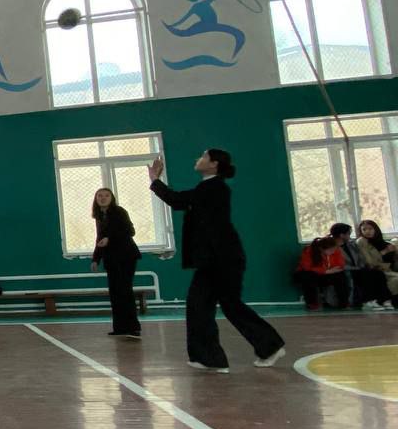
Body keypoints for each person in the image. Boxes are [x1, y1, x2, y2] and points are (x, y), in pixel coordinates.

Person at [149, 149, 285, 373]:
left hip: (222, 259)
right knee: (201, 305)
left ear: (214, 164)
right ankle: (210, 358)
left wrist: (155, 181)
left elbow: (178, 200)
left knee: (225, 305)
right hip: (214, 260)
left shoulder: (215, 188)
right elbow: (181, 202)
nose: (198, 159)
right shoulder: (208, 187)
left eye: (203, 156)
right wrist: (156, 182)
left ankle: (268, 346)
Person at [90, 188, 141, 338]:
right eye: (100, 196)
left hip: (126, 256)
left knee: (125, 290)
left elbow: (130, 231)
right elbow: (100, 238)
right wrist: (95, 259)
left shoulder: (119, 212)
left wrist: (110, 239)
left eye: (106, 195)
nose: (103, 198)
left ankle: (133, 327)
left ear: (112, 198)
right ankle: (120, 327)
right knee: (115, 292)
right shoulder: (99, 216)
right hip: (111, 258)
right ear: (96, 199)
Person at [294, 236, 349, 311]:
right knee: (308, 276)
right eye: (331, 250)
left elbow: (340, 264)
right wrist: (325, 271)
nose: (333, 251)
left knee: (341, 276)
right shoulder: (309, 251)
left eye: (334, 249)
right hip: (309, 274)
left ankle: (344, 303)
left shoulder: (335, 250)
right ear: (321, 249)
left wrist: (332, 270)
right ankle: (312, 304)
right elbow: (306, 267)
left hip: (326, 274)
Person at [354, 220, 398, 309]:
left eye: (370, 229)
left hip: (388, 269)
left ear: (375, 229)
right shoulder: (362, 242)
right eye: (364, 229)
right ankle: (386, 300)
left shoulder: (383, 243)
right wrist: (384, 252)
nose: (367, 231)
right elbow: (370, 262)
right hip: (375, 270)